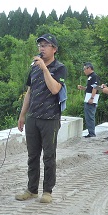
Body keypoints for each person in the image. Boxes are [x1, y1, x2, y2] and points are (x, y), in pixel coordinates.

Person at [15, 34, 67, 203]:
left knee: (49, 156)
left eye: (46, 45)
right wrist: (22, 115)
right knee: (32, 155)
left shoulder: (59, 68)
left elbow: (54, 89)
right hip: (33, 117)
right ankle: (31, 189)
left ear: (54, 49)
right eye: (40, 45)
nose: (42, 48)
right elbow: (29, 92)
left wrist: (45, 68)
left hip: (50, 118)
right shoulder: (34, 67)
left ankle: (47, 191)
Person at [77, 62, 100, 138]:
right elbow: (89, 88)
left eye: (85, 69)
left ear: (89, 68)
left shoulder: (94, 76)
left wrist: (92, 98)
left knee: (90, 115)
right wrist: (83, 88)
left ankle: (92, 133)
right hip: (88, 97)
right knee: (88, 115)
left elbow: (95, 87)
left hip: (91, 98)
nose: (84, 71)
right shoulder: (90, 77)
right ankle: (90, 131)